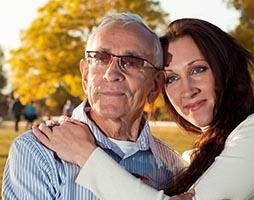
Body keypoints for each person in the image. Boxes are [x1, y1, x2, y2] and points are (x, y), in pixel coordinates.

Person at [33, 18, 254, 200]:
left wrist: (84, 154)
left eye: (198, 69)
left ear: (226, 71)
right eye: (172, 78)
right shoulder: (191, 159)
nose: (186, 90)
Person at [2, 13, 187, 199]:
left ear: (155, 85)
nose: (112, 73)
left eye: (131, 62)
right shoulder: (36, 152)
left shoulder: (173, 167)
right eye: (100, 58)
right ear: (85, 76)